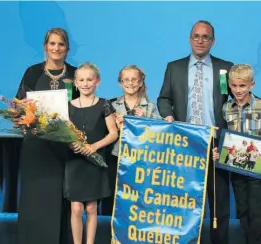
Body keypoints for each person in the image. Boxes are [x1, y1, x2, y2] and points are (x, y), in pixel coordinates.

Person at [157, 20, 261, 244]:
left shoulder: (225, 67)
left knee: (219, 200)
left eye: (206, 37)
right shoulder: (174, 67)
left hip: (218, 142)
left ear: (213, 41)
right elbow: (164, 98)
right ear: (190, 38)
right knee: (184, 198)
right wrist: (168, 115)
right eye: (196, 36)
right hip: (186, 140)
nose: (200, 40)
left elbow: (241, 96)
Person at [16, 28, 79, 244]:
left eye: (61, 44)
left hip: (63, 148)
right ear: (45, 47)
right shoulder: (32, 73)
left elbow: (84, 106)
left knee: (58, 201)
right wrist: (23, 109)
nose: (56, 48)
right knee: (34, 200)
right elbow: (18, 106)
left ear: (67, 49)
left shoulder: (75, 74)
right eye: (52, 44)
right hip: (36, 148)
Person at [213, 64, 261, 244]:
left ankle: (255, 239)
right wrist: (220, 153)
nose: (237, 90)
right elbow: (225, 137)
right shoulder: (227, 108)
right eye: (233, 86)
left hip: (257, 167)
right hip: (236, 167)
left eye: (242, 86)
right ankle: (249, 237)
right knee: (242, 209)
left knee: (257, 211)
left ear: (252, 85)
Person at [65, 62, 118, 244]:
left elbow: (113, 133)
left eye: (90, 79)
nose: (85, 83)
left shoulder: (104, 105)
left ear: (98, 82)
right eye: (81, 80)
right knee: (76, 209)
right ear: (75, 83)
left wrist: (94, 146)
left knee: (91, 209)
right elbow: (64, 133)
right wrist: (71, 144)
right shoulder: (68, 107)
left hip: (94, 163)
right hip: (75, 163)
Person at [101, 64, 161, 216]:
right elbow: (104, 130)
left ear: (141, 82)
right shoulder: (111, 104)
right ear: (120, 83)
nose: (130, 83)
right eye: (125, 80)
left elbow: (160, 132)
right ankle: (109, 230)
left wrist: (146, 120)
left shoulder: (150, 107)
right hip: (116, 156)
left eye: (134, 79)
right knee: (112, 195)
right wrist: (115, 125)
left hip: (141, 159)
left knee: (137, 196)